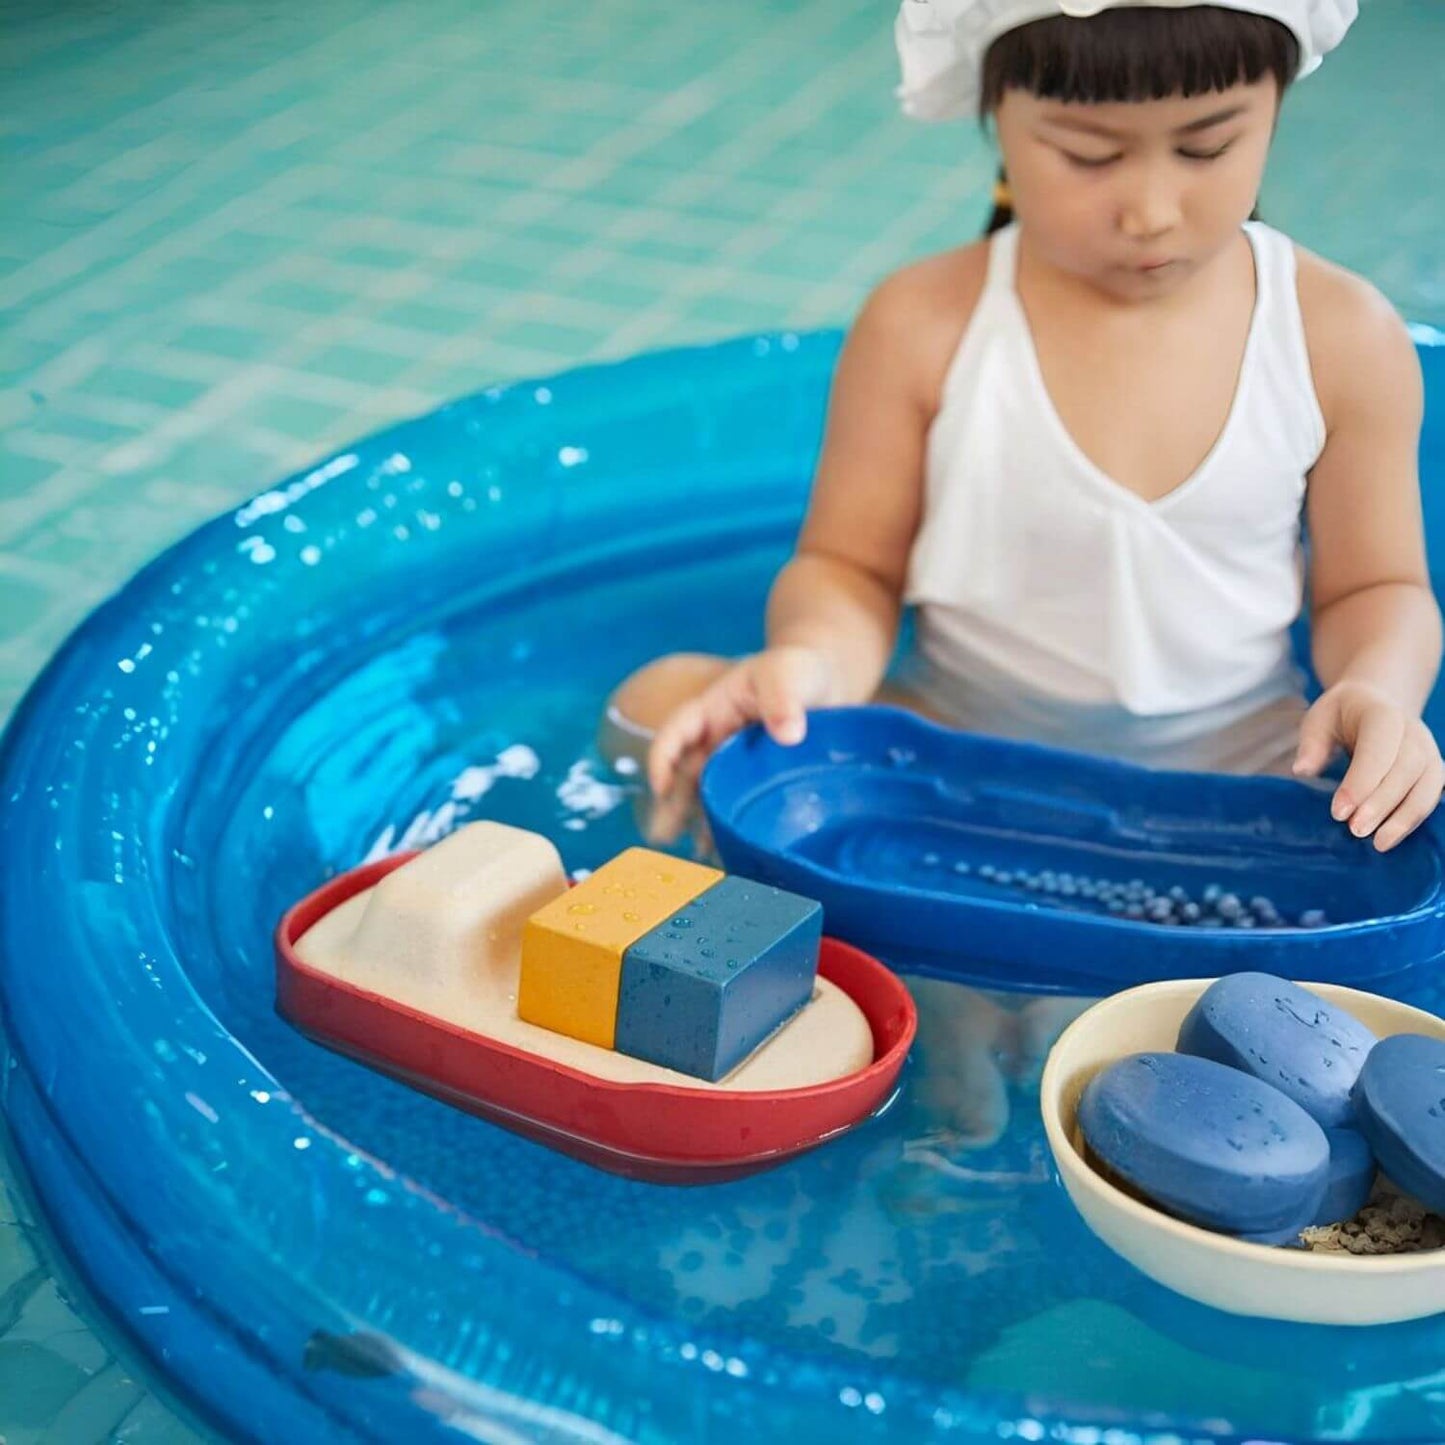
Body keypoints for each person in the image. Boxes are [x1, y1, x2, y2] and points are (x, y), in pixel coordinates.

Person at [605, 0, 1442, 856]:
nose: (1150, 209)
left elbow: (1374, 588)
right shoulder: (924, 323)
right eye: (1087, 155)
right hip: (954, 751)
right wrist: (810, 664)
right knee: (659, 699)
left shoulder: (1337, 336)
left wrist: (1375, 690)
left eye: (1206, 146)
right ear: (995, 120)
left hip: (1232, 771)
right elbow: (849, 567)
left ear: (1274, 107)